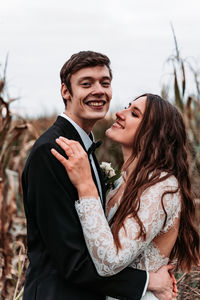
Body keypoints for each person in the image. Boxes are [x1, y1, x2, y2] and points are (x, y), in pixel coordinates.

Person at [22, 52, 176, 300]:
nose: (99, 90)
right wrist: (147, 281)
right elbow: (72, 260)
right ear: (66, 91)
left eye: (105, 83)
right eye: (86, 83)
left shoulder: (85, 149)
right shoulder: (51, 152)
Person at [51, 93, 200, 300]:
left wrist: (86, 186)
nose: (119, 113)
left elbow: (109, 261)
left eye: (134, 114)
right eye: (127, 107)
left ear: (153, 133)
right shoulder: (123, 182)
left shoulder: (162, 187)